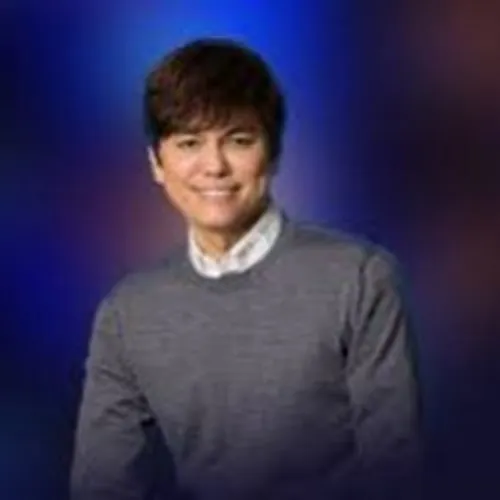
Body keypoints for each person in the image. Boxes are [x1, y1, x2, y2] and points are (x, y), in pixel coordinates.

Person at [70, 37, 422, 500]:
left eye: (238, 140)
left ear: (272, 154)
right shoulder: (127, 313)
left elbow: (393, 471)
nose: (214, 166)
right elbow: (103, 485)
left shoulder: (360, 278)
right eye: (189, 143)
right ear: (156, 163)